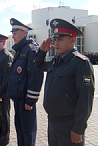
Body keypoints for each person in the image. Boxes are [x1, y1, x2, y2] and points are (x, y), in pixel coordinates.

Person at [35, 18, 94, 146]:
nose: (56, 43)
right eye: (55, 39)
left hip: (69, 124)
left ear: (73, 39)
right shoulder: (57, 61)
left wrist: (78, 128)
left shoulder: (80, 63)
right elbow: (39, 66)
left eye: (60, 39)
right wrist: (42, 52)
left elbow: (86, 99)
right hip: (53, 122)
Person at [7, 18, 44, 146]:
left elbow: (36, 76)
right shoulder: (20, 49)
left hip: (26, 100)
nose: (13, 35)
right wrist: (13, 93)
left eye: (15, 32)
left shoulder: (31, 49)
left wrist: (30, 100)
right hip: (18, 98)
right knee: (20, 130)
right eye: (12, 32)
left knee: (28, 133)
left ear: (24, 32)